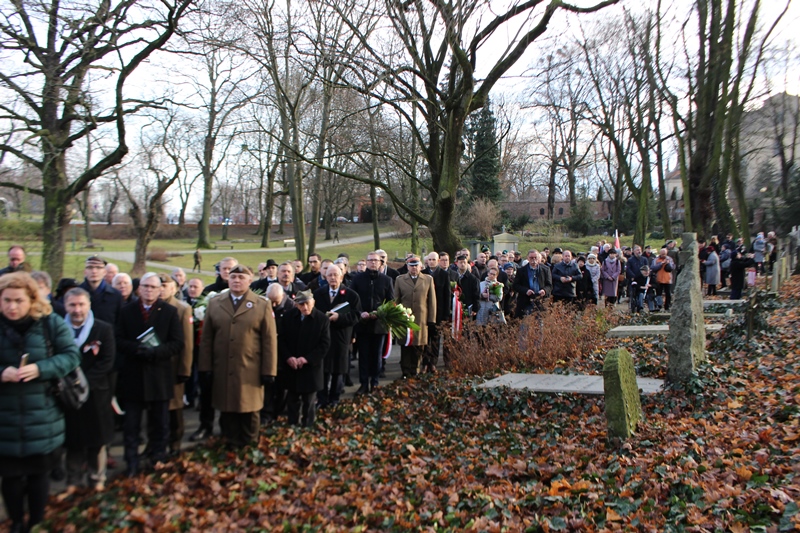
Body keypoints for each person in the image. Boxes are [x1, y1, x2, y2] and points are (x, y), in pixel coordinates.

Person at [0, 272, 81, 532]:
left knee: (38, 476)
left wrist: (41, 369)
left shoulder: (50, 323)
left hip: (43, 416)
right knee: (10, 477)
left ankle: (36, 521)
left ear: (32, 299)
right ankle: (16, 522)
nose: (12, 307)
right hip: (5, 418)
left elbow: (71, 356)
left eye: (18, 300)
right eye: (6, 300)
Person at [198, 265, 277, 447]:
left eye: (241, 277)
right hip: (223, 367)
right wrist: (205, 367)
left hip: (250, 368)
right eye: (233, 277)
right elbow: (207, 339)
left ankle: (249, 446)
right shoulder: (215, 303)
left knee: (249, 410)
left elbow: (269, 341)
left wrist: (269, 370)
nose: (237, 281)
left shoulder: (262, 304)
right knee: (227, 408)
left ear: (250, 281)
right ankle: (230, 444)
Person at [115, 273, 184, 476]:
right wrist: (136, 349)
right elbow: (117, 339)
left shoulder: (169, 312)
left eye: (154, 287)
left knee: (160, 423)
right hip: (133, 374)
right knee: (132, 425)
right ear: (139, 289)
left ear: (159, 290)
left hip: (159, 375)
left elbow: (177, 343)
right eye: (145, 286)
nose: (149, 290)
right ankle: (132, 463)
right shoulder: (127, 311)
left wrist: (156, 352)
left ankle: (158, 458)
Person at [62, 288, 115, 492]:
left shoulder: (103, 329)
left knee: (97, 440)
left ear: (89, 305)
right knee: (73, 441)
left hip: (95, 392)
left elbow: (107, 360)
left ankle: (96, 478)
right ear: (65, 306)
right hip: (68, 394)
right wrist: (69, 384)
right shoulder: (58, 329)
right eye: (72, 305)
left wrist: (83, 383)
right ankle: (73, 481)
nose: (77, 310)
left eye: (81, 304)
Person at [278, 290, 331, 427]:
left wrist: (306, 359)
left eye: (307, 303)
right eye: (301, 304)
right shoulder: (288, 317)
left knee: (309, 401)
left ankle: (307, 426)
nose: (305, 307)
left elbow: (324, 345)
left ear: (313, 302)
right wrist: (289, 357)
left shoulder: (322, 319)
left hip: (311, 368)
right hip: (292, 367)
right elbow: (281, 340)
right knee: (292, 399)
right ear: (296, 305)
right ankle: (292, 425)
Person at [313, 264, 361, 408]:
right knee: (323, 370)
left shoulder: (351, 295)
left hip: (341, 337)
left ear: (341, 277)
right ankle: (322, 399)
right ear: (325, 277)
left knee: (338, 370)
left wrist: (339, 317)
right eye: (330, 275)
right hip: (322, 338)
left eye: (336, 275)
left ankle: (334, 399)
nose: (333, 278)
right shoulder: (317, 294)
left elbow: (356, 315)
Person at [350, 252, 394, 395]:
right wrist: (360, 312)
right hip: (362, 324)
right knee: (363, 356)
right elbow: (352, 300)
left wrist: (379, 312)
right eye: (370, 260)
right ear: (366, 262)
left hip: (379, 325)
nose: (373, 263)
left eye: (376, 260)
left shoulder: (387, 280)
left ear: (381, 263)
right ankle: (363, 384)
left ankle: (374, 383)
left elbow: (391, 301)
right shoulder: (357, 279)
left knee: (377, 356)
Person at [158, 275, 193, 453]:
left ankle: (175, 442)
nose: (162, 289)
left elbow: (187, 343)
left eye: (166, 286)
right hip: (154, 368)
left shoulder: (181, 309)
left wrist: (185, 369)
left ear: (174, 289)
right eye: (160, 285)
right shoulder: (150, 306)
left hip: (174, 367)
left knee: (175, 408)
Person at [394, 255, 436, 378]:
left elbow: (432, 301)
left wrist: (431, 320)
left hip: (421, 319)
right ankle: (405, 371)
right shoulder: (400, 280)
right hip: (405, 319)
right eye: (411, 266)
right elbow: (396, 300)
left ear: (421, 266)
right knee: (406, 346)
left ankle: (415, 370)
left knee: (419, 347)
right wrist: (396, 318)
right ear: (407, 267)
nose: (414, 268)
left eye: (416, 266)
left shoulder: (428, 279)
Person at [422, 252, 451, 372]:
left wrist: (445, 314)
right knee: (424, 339)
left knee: (435, 339)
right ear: (427, 261)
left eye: (434, 259)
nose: (432, 261)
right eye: (430, 259)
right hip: (424, 311)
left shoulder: (444, 274)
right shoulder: (422, 274)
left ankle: (433, 362)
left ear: (438, 260)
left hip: (439, 312)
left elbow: (447, 295)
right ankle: (425, 362)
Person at [80, 255, 123, 327]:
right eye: (90, 267)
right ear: (85, 271)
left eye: (98, 267)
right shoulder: (77, 294)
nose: (94, 271)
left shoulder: (116, 295)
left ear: (104, 272)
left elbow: (120, 323)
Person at [513, 250, 553, 316]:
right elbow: (515, 285)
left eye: (535, 257)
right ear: (527, 258)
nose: (533, 260)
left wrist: (544, 290)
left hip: (541, 300)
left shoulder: (546, 269)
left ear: (539, 258)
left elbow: (549, 285)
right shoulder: (521, 270)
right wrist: (526, 291)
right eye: (531, 258)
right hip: (526, 300)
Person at [452, 254, 480, 319]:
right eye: (460, 262)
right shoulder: (453, 276)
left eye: (464, 262)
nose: (462, 264)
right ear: (457, 263)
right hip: (455, 306)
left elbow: (476, 294)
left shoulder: (473, 279)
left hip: (468, 307)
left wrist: (475, 308)